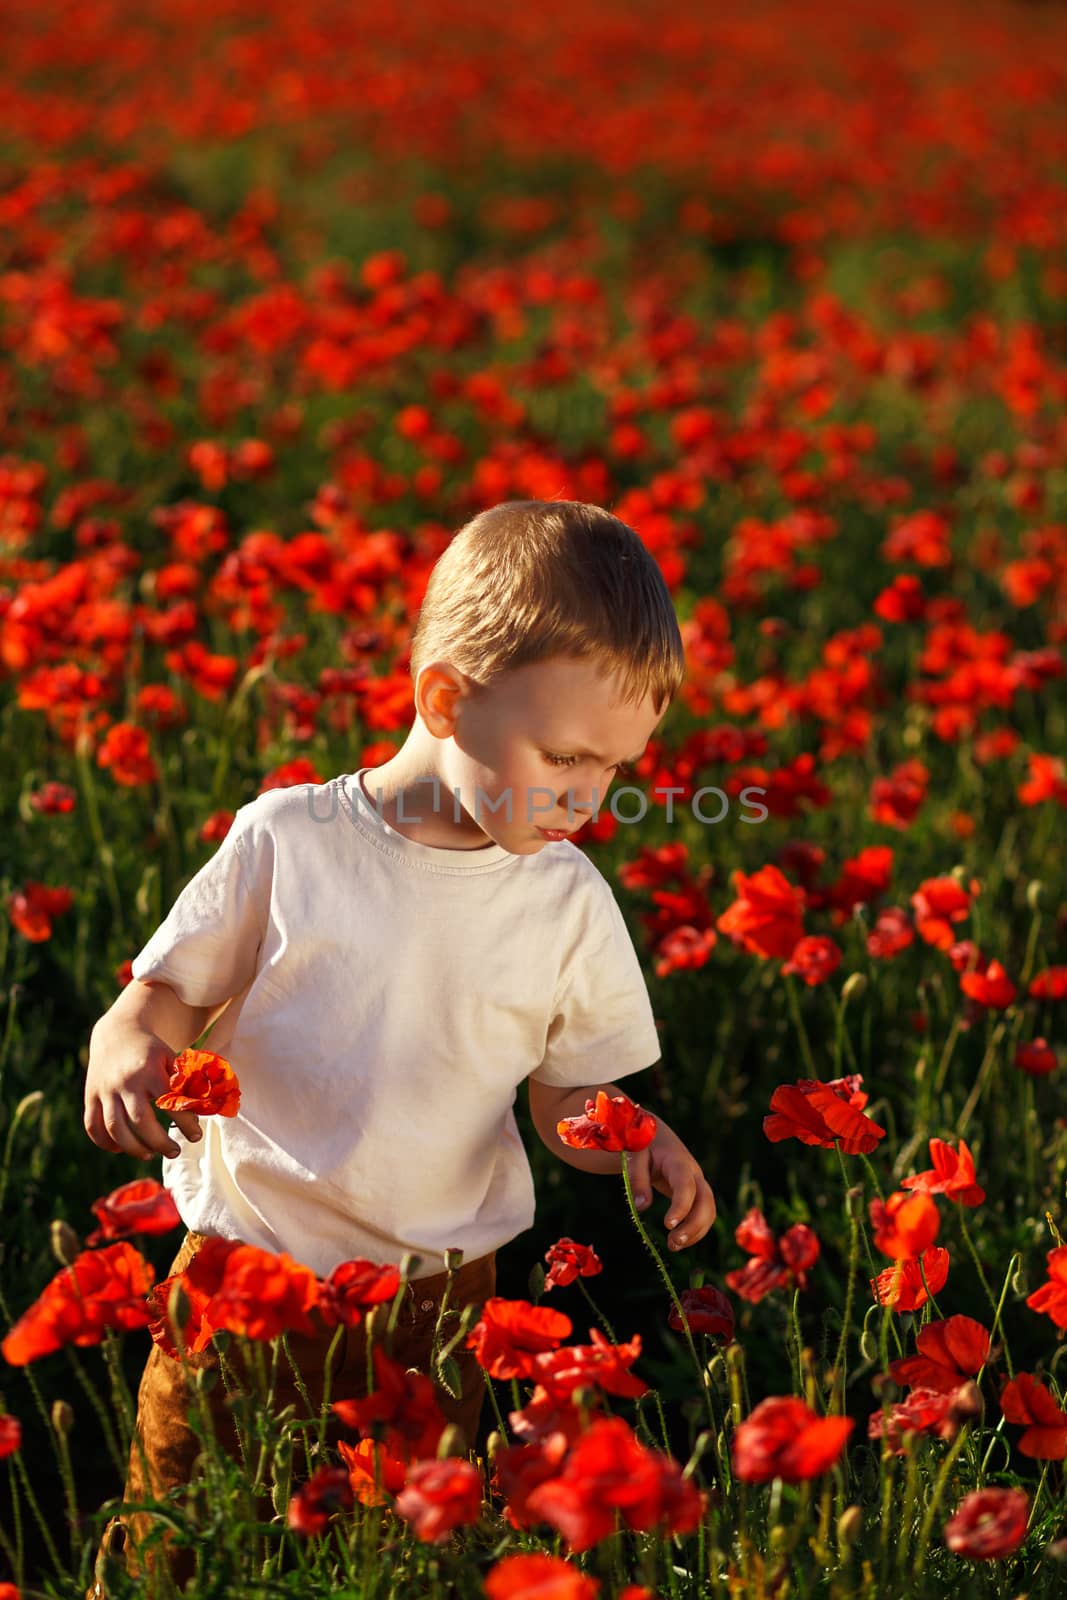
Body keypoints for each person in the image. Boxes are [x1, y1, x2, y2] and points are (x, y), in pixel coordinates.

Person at [82, 498, 718, 1594]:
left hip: (438, 1295)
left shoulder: (566, 900)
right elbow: (161, 997)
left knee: (387, 1559)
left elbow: (567, 1097)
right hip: (250, 1266)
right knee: (181, 1532)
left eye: (615, 767)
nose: (586, 796)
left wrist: (631, 1138)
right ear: (443, 698)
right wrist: (125, 1045)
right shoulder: (289, 840)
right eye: (563, 755)